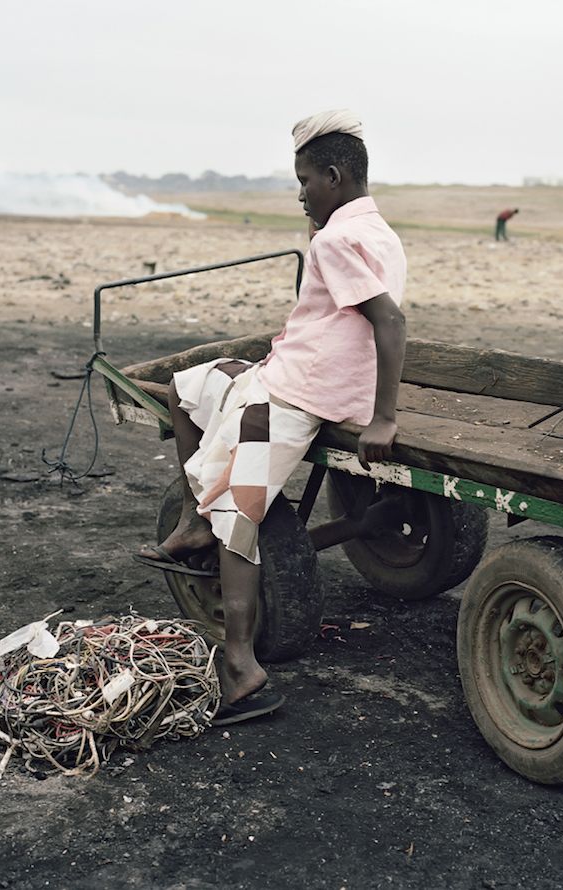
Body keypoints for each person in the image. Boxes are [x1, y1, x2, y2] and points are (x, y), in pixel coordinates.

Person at [134, 109, 407, 726]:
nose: (301, 194)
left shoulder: (335, 239)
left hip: (296, 396)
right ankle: (191, 519)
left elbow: (389, 321)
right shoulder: (378, 230)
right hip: (291, 372)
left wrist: (384, 419)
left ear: (334, 177)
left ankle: (240, 666)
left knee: (237, 507)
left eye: (305, 180)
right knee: (186, 389)